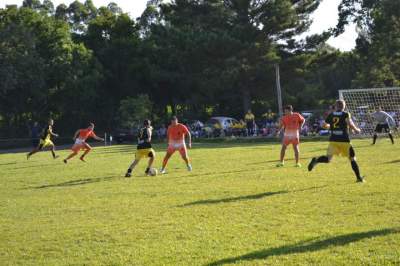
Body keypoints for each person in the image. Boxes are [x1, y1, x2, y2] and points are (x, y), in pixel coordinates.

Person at [308, 100, 365, 183]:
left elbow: (324, 125)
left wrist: (331, 127)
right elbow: (350, 124)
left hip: (333, 140)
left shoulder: (331, 115)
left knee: (328, 159)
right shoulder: (345, 114)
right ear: (343, 106)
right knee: (352, 159)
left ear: (336, 106)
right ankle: (359, 178)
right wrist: (357, 130)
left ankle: (316, 160)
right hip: (344, 140)